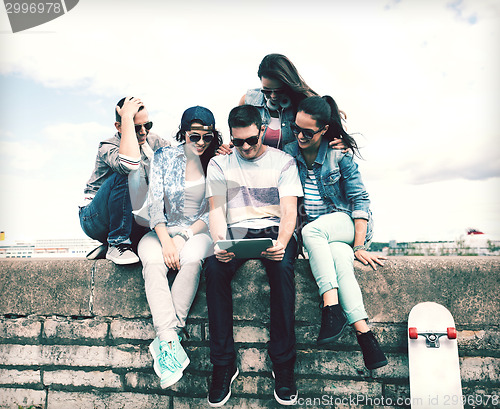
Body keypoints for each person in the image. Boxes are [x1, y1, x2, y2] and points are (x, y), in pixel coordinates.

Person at [204, 105, 304, 406]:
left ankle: (283, 365)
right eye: (238, 142)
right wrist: (220, 243)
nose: (245, 147)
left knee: (283, 270)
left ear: (262, 130)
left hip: (275, 229)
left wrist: (283, 243)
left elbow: (289, 213)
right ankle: (223, 364)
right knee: (213, 268)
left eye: (251, 140)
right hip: (236, 230)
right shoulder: (219, 164)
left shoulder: (283, 162)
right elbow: (216, 210)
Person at [284, 95, 388, 370]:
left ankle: (330, 308)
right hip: (323, 237)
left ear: (324, 130)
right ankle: (366, 337)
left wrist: (359, 245)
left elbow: (360, 201)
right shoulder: (289, 153)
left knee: (312, 231)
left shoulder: (338, 155)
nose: (300, 136)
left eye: (307, 132)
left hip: (346, 225)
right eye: (296, 129)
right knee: (341, 264)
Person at [137, 106, 222, 389]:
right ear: (183, 133)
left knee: (193, 259)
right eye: (194, 136)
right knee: (152, 262)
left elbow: (211, 213)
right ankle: (170, 340)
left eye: (206, 137)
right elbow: (154, 205)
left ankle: (166, 341)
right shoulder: (164, 157)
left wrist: (183, 236)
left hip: (197, 231)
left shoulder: (217, 162)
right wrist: (166, 241)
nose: (200, 143)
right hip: (161, 229)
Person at [79, 97, 169, 264]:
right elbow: (128, 164)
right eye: (136, 127)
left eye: (147, 125)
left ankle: (119, 245)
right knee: (127, 172)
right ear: (119, 126)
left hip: (127, 216)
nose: (143, 132)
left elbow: (182, 161)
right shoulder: (108, 146)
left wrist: (219, 150)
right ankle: (117, 243)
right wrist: (126, 116)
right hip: (94, 218)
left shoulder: (154, 141)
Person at [218, 53, 345, 154]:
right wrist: (228, 148)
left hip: (291, 173)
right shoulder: (248, 101)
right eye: (266, 91)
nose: (273, 96)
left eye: (279, 91)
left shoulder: (303, 106)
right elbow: (239, 137)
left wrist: (341, 143)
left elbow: (320, 132)